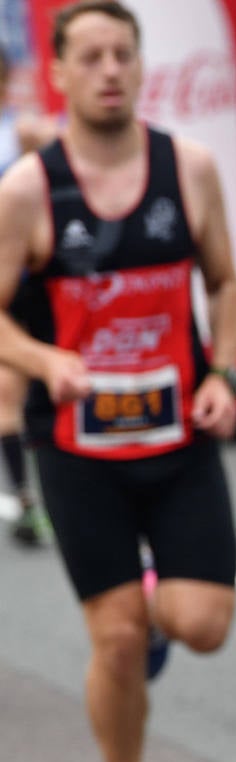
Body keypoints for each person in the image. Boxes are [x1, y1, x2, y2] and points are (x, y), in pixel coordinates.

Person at [0, 0, 236, 762]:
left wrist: (226, 373)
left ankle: (154, 606)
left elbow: (223, 283)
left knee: (202, 623)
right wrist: (43, 358)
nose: (109, 70)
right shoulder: (28, 190)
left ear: (140, 68)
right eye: (90, 56)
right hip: (75, 449)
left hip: (177, 440)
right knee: (112, 638)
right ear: (57, 75)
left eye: (122, 54)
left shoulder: (190, 169)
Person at [0, 46, 58, 546]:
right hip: (4, 290)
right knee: (5, 392)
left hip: (43, 281)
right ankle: (25, 499)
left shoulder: (26, 132)